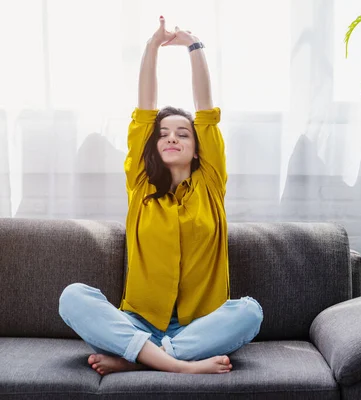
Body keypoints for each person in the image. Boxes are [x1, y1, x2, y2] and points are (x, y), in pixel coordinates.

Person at [58, 16, 263, 376]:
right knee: (72, 296)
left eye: (183, 134)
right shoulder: (140, 187)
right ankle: (176, 364)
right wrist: (152, 47)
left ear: (198, 149)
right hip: (138, 325)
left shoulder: (211, 184)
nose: (171, 138)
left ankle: (137, 360)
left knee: (249, 313)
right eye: (163, 133)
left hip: (198, 327)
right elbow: (144, 112)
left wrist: (194, 45)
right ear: (153, 145)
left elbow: (205, 112)